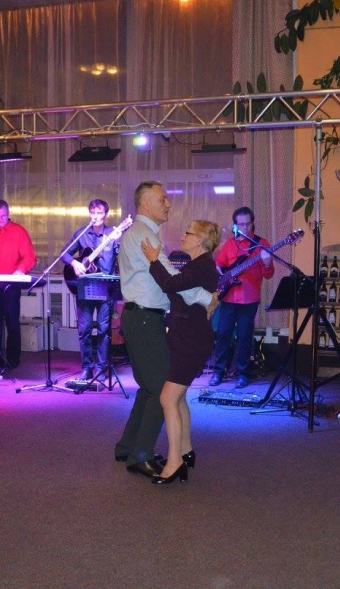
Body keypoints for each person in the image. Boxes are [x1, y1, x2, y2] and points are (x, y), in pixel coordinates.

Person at [114, 180, 216, 479]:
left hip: (140, 318)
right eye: (162, 199)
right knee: (162, 390)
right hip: (145, 320)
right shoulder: (144, 235)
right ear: (145, 203)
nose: (168, 204)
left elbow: (172, 279)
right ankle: (140, 455)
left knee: (149, 387)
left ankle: (127, 446)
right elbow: (173, 280)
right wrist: (208, 298)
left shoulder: (141, 233)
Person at [141, 219, 220, 484]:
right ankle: (186, 452)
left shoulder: (202, 266)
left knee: (167, 399)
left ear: (200, 240)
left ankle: (174, 462)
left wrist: (154, 260)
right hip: (186, 338)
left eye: (188, 233)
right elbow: (189, 293)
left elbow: (170, 284)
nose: (183, 236)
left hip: (192, 342)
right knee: (179, 398)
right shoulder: (197, 265)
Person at [208, 207, 274, 388]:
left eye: (248, 223)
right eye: (241, 224)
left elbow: (268, 274)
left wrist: (267, 262)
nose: (245, 227)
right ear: (235, 226)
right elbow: (219, 264)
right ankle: (219, 371)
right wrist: (223, 275)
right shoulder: (230, 244)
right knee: (223, 334)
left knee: (245, 337)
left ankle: (242, 373)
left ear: (253, 223)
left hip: (249, 299)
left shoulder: (262, 244)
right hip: (229, 297)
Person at [60, 199, 119, 381]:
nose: (96, 216)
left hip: (105, 289)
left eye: (99, 213)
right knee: (84, 330)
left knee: (103, 329)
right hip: (85, 288)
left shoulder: (112, 234)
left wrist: (118, 242)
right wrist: (74, 263)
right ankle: (87, 367)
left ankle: (101, 368)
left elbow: (123, 258)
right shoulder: (81, 234)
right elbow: (64, 254)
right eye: (93, 213)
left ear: (106, 215)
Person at [0, 199, 36, 371]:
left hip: (11, 285)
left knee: (12, 323)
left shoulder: (19, 232)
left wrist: (20, 270)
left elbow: (29, 257)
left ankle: (13, 359)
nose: (1, 219)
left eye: (3, 216)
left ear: (8, 213)